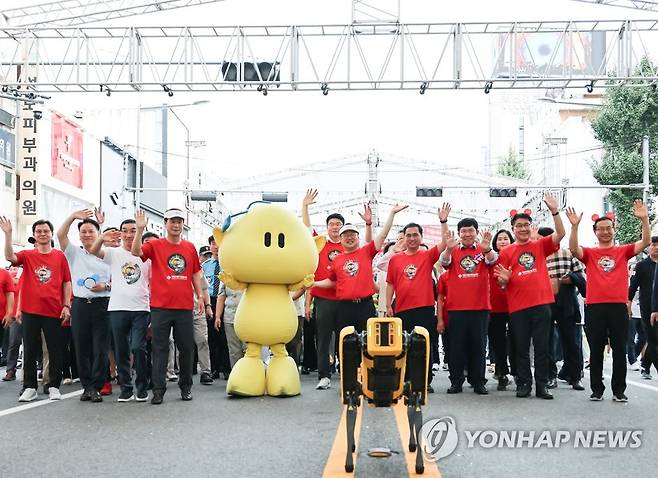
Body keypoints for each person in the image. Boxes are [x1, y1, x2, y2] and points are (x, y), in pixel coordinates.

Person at [313, 203, 408, 390]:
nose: (349, 238)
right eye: (345, 235)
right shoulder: (338, 259)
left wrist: (390, 214)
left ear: (357, 238)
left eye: (352, 235)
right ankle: (347, 377)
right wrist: (314, 284)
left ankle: (366, 376)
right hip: (344, 307)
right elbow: (331, 282)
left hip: (364, 306)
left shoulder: (366, 252)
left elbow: (381, 236)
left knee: (368, 343)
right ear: (340, 240)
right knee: (347, 343)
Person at [566, 199, 650, 402]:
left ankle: (619, 390)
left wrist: (645, 220)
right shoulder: (591, 253)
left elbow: (645, 242)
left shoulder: (623, 251)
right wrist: (575, 226)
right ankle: (597, 389)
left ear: (614, 229)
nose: (605, 232)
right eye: (601, 229)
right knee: (596, 349)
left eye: (608, 228)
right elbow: (573, 248)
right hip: (595, 307)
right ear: (595, 232)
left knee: (620, 349)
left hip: (618, 306)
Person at [494, 193, 565, 400]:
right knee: (521, 347)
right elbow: (500, 281)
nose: (523, 228)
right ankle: (523, 383)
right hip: (518, 307)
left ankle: (542, 385)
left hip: (542, 304)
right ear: (513, 228)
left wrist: (554, 211)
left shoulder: (540, 245)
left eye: (526, 225)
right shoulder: (506, 252)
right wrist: (505, 279)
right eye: (519, 226)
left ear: (530, 226)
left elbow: (560, 234)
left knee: (542, 347)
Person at [131, 208, 206, 405]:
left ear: (183, 224)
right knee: (160, 349)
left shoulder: (190, 247)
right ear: (165, 223)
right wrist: (139, 230)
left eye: (179, 221)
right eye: (172, 221)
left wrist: (199, 295)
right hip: (160, 307)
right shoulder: (155, 245)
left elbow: (195, 273)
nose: (176, 225)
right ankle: (158, 390)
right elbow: (136, 252)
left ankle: (186, 386)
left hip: (184, 307)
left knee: (186, 348)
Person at [301, 189, 371, 390]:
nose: (334, 228)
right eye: (331, 225)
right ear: (327, 227)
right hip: (323, 299)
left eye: (338, 225)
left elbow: (368, 245)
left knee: (346, 338)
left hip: (344, 301)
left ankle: (347, 373)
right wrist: (305, 206)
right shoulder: (319, 243)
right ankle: (324, 375)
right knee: (322, 340)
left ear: (344, 231)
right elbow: (306, 229)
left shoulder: (350, 246)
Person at [1, 217, 72, 402]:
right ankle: (29, 387)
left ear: (50, 234)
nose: (42, 234)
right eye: (39, 231)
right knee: (30, 350)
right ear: (34, 235)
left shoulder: (59, 256)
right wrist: (8, 234)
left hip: (53, 310)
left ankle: (54, 386)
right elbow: (10, 257)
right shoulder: (27, 255)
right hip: (30, 311)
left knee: (54, 349)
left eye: (45, 231)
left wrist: (66, 305)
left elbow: (66, 282)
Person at [386, 206, 449, 392]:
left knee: (424, 347)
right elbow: (390, 284)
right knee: (404, 347)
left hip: (425, 309)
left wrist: (443, 222)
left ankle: (425, 382)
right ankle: (407, 380)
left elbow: (445, 243)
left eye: (415, 235)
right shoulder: (395, 260)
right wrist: (389, 305)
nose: (412, 238)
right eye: (409, 235)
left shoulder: (427, 256)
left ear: (421, 237)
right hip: (402, 309)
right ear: (404, 238)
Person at [90, 219, 151, 402]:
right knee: (121, 350)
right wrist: (102, 237)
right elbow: (93, 251)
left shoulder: (146, 254)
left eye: (133, 230)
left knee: (138, 348)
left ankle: (141, 386)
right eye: (125, 231)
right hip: (117, 307)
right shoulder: (113, 252)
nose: (129, 234)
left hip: (141, 307)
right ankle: (126, 388)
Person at [57, 209, 112, 403]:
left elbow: (120, 279)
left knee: (100, 348)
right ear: (79, 235)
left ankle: (97, 386)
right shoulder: (73, 253)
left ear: (98, 234)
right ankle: (87, 387)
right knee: (81, 348)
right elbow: (60, 235)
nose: (87, 235)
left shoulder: (106, 254)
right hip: (80, 305)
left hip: (103, 305)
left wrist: (105, 286)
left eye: (91, 231)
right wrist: (72, 217)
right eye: (84, 232)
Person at [439, 214, 496, 395]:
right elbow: (443, 262)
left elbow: (493, 260)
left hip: (480, 308)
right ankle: (456, 381)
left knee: (478, 347)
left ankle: (478, 381)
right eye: (463, 231)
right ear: (459, 233)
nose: (467, 234)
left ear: (476, 232)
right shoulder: (453, 251)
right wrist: (448, 249)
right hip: (456, 309)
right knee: (457, 347)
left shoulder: (483, 250)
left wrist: (487, 249)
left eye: (471, 230)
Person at [538, 226, 586, 392]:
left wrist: (570, 279)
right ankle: (550, 375)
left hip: (566, 300)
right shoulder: (537, 255)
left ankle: (575, 376)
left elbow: (581, 275)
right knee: (546, 341)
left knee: (571, 340)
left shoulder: (567, 253)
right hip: (544, 301)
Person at [488, 229, 515, 391]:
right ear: (495, 243)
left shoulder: (517, 258)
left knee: (517, 340)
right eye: (500, 239)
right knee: (497, 342)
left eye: (506, 238)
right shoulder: (490, 260)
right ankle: (501, 373)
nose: (503, 241)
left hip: (515, 306)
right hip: (495, 307)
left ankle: (519, 372)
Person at [201, 235, 230, 380]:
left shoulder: (231, 264)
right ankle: (214, 368)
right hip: (210, 300)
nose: (216, 246)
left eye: (219, 243)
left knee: (225, 336)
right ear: (210, 246)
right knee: (211, 336)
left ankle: (226, 368)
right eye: (213, 243)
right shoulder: (205, 266)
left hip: (226, 300)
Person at [630, 237, 658, 379]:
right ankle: (646, 366)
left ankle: (645, 364)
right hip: (647, 308)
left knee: (654, 339)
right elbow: (633, 286)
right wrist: (628, 303)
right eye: (654, 244)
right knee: (652, 338)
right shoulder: (641, 266)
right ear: (648, 247)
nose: (656, 247)